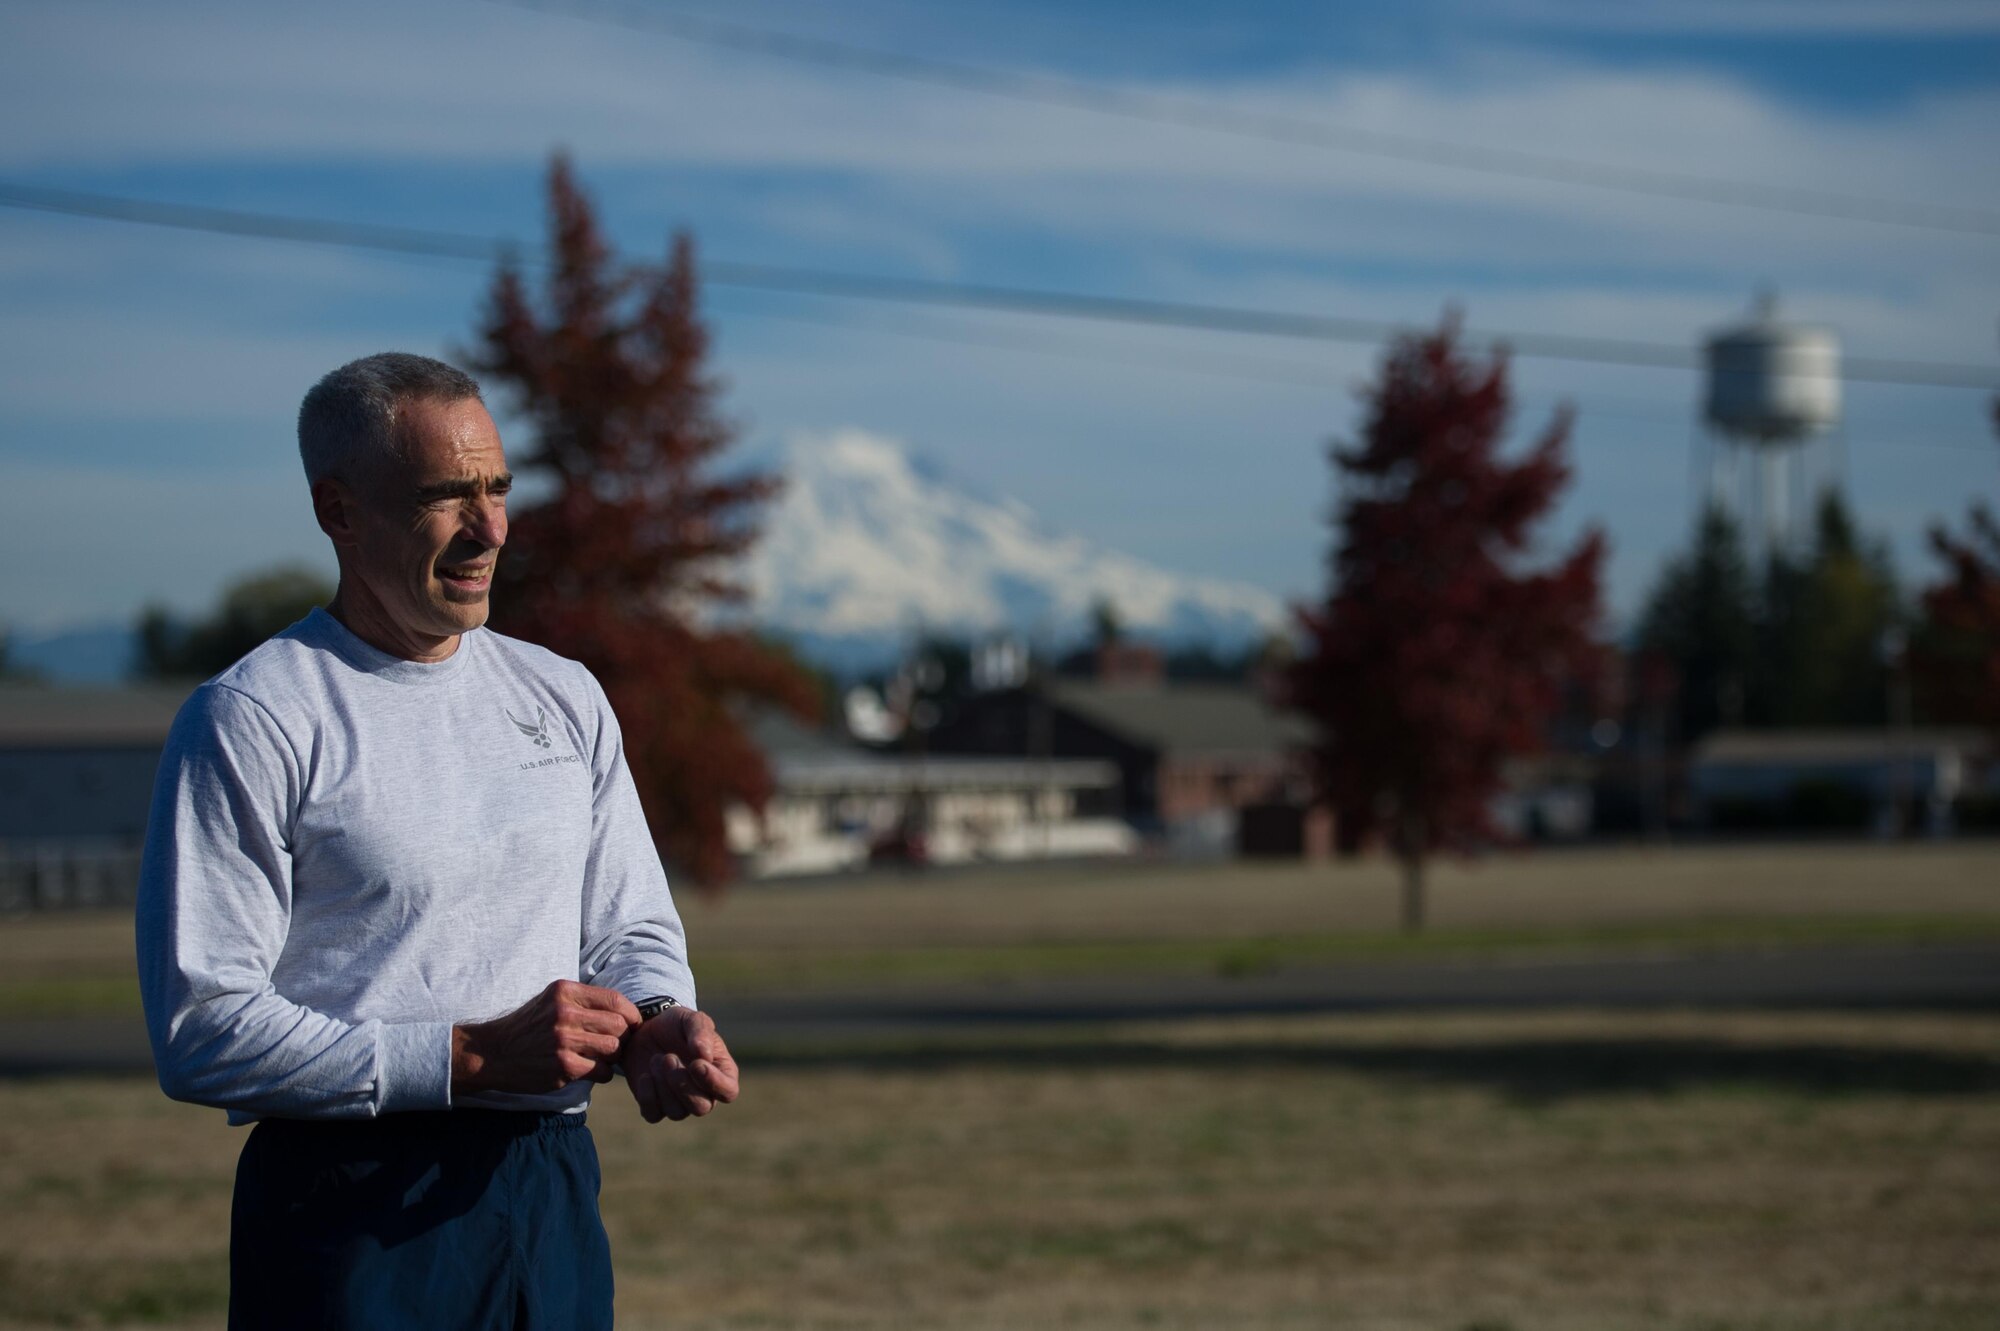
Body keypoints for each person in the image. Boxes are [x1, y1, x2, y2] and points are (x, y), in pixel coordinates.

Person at [135, 351, 739, 1330]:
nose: (489, 528)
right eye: (444, 495)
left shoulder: (562, 693)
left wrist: (655, 1021)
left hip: (548, 1187)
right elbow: (201, 1031)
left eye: (496, 486)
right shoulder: (255, 715)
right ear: (339, 510)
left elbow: (628, 924)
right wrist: (463, 1055)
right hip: (350, 1203)